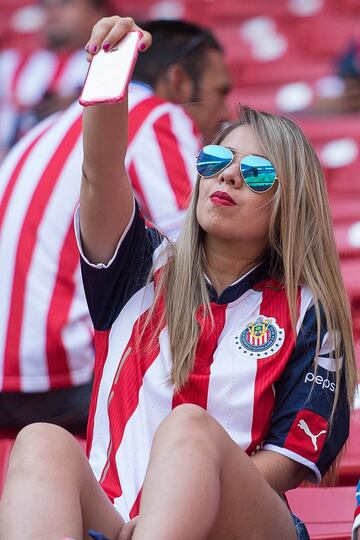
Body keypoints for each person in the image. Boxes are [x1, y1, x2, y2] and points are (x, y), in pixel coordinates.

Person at [0, 15, 356, 540]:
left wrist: (176, 502)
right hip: (121, 518)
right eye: (217, 159)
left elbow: (288, 462)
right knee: (41, 442)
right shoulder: (141, 268)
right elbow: (100, 172)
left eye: (257, 173)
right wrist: (109, 76)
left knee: (188, 430)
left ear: (290, 204)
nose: (229, 176)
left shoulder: (309, 307)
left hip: (239, 522)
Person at [0, 19, 230, 429]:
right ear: (177, 81)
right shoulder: (158, 116)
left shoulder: (43, 130)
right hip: (65, 379)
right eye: (221, 91)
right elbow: (199, 257)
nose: (226, 112)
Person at [0, 0, 108, 160]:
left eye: (65, 4)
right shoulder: (10, 63)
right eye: (46, 6)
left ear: (97, 14)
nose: (53, 13)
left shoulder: (110, 65)